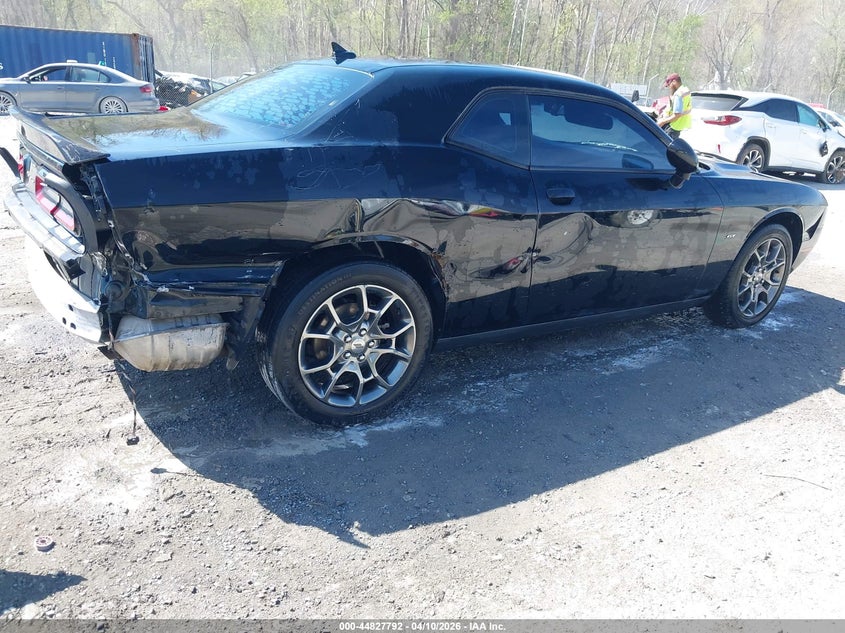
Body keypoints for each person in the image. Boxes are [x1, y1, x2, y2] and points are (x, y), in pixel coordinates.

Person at [656, 72, 692, 140]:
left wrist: (662, 122)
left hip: (673, 126)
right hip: (679, 125)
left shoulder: (678, 94)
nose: (669, 87)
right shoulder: (685, 90)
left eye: (669, 85)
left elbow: (677, 115)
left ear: (674, 81)